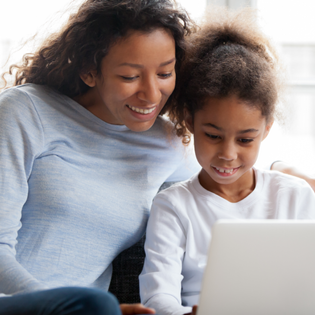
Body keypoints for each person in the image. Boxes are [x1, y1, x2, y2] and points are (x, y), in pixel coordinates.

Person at [0, 0, 198, 313]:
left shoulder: (168, 143)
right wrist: (66, 307)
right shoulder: (25, 111)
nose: (151, 94)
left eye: (164, 73)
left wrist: (285, 169)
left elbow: (228, 168)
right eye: (130, 77)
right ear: (89, 71)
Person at [139, 6, 315, 315]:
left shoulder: (294, 196)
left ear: (266, 130)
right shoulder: (173, 206)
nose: (228, 154)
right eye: (213, 135)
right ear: (190, 121)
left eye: (246, 139)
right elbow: (158, 298)